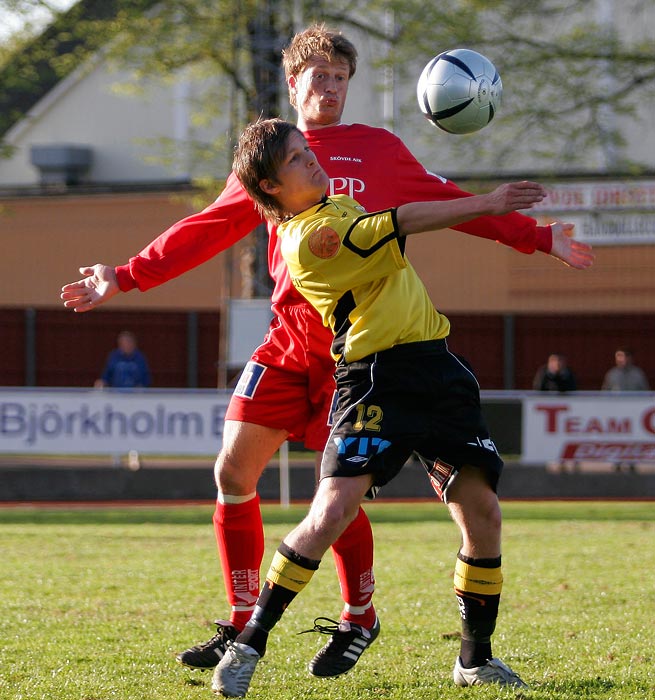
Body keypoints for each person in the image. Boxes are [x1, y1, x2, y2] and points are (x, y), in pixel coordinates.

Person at [60, 24, 587, 682]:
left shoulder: (377, 150)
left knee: (338, 497)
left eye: (341, 76)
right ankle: (241, 618)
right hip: (290, 343)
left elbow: (447, 204)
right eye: (320, 74)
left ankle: (359, 616)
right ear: (293, 81)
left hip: (362, 354)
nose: (331, 85)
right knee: (234, 473)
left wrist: (535, 238)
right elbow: (206, 227)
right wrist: (129, 273)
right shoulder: (269, 157)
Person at [211, 118, 594, 697]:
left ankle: (474, 659)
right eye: (295, 159)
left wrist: (528, 233)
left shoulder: (336, 204)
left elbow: (415, 199)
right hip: (375, 381)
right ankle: (249, 645)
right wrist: (488, 201)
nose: (312, 160)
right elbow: (407, 216)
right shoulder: (309, 239)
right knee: (332, 509)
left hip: (436, 372)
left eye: (306, 150)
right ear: (268, 187)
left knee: (483, 511)